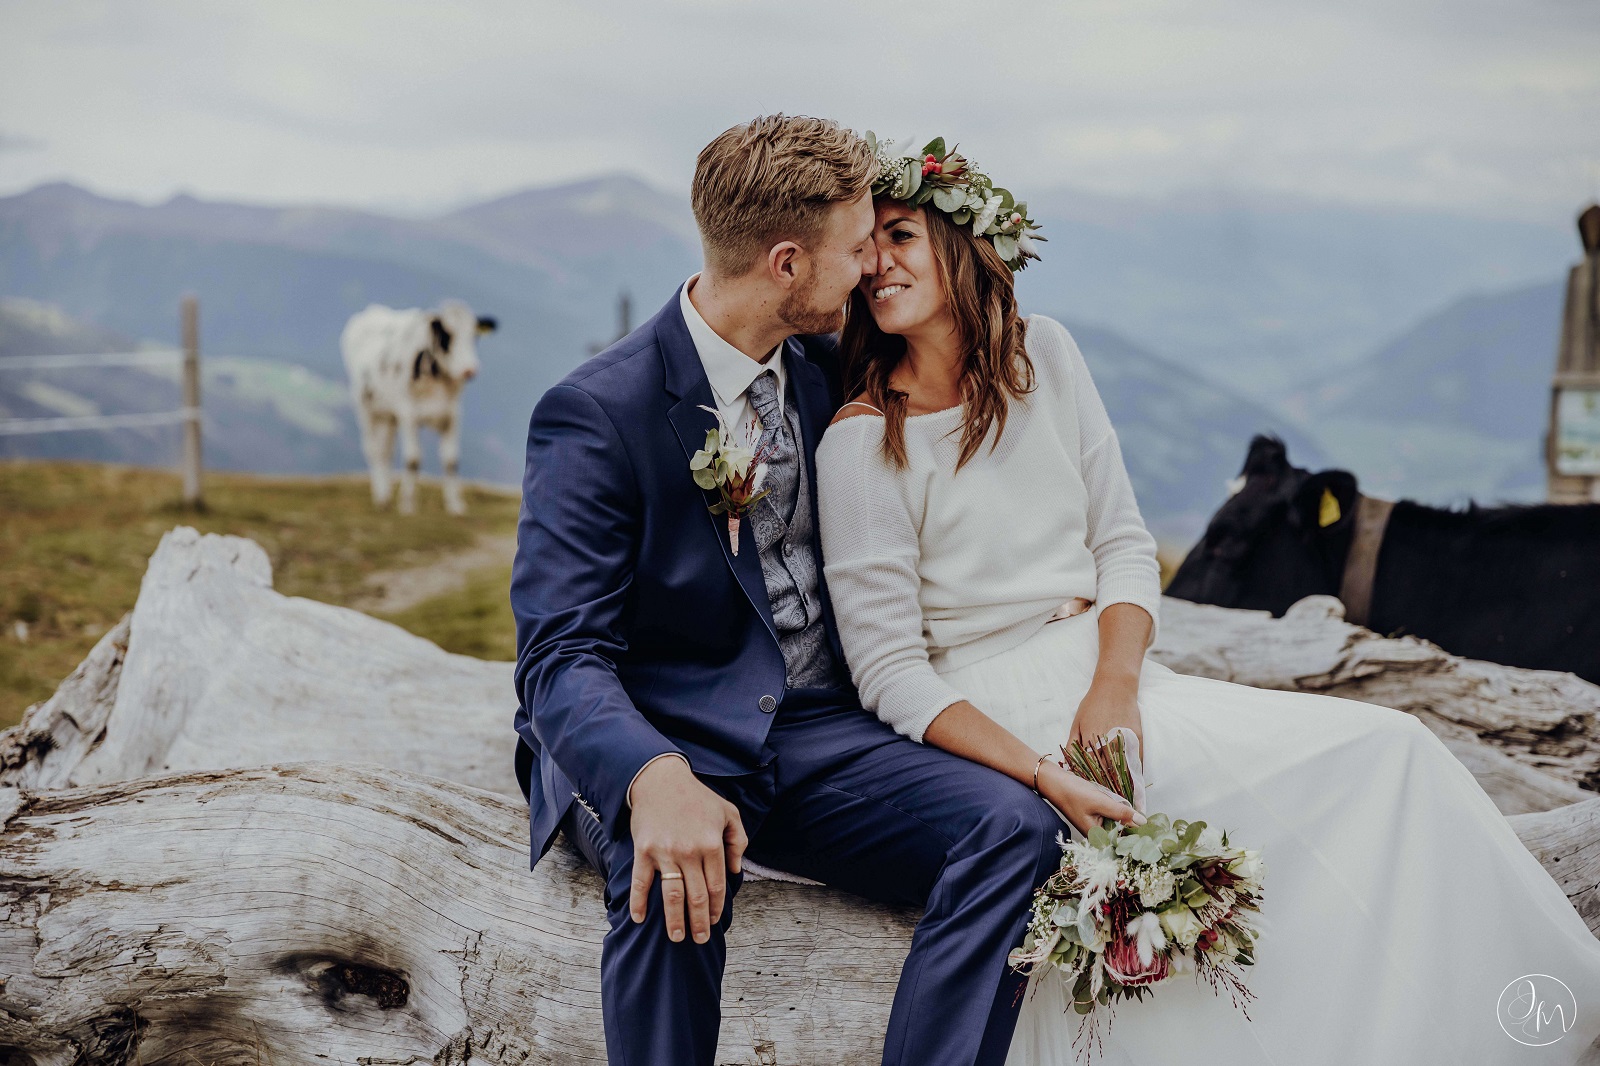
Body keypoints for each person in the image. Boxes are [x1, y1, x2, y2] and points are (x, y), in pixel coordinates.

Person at [814, 135, 1600, 1065]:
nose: (874, 266)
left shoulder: (1046, 357)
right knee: (1268, 821)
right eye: (867, 248)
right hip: (996, 714)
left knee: (1393, 750)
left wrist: (1114, 683)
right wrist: (1039, 768)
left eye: (898, 236)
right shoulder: (863, 445)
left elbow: (1123, 544)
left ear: (965, 244)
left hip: (1115, 678)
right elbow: (890, 674)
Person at [510, 115, 1142, 1066]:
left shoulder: (828, 367)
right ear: (788, 264)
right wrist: (652, 778)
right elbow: (558, 658)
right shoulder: (598, 412)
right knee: (673, 877)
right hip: (668, 726)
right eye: (857, 249)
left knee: (1016, 829)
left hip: (820, 730)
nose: (872, 271)